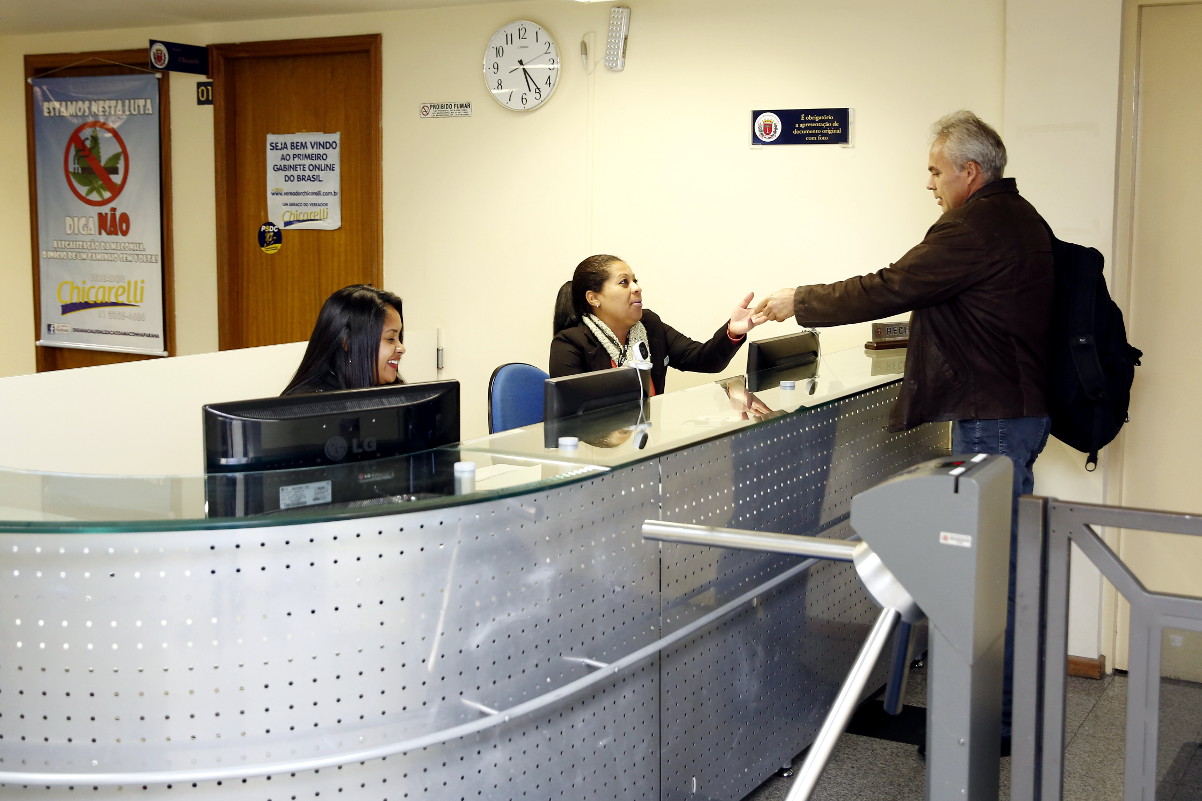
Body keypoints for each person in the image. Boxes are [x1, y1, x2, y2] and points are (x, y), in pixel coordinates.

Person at [753, 110, 1055, 750]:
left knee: (986, 580)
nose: (930, 184)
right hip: (1013, 413)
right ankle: (997, 715)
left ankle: (991, 726)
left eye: (935, 171)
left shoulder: (973, 227)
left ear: (968, 173)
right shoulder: (1019, 217)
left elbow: (889, 286)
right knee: (995, 571)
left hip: (995, 422)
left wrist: (796, 300)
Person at [550, 254, 762, 395]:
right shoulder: (569, 344)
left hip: (648, 444)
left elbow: (705, 360)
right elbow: (573, 415)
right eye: (624, 282)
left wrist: (732, 332)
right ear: (594, 298)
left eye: (635, 280)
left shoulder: (650, 326)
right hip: (598, 453)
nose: (636, 288)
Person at [281, 284, 406, 396]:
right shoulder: (310, 406)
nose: (402, 348)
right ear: (347, 342)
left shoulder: (392, 393)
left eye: (398, 338)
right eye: (390, 338)